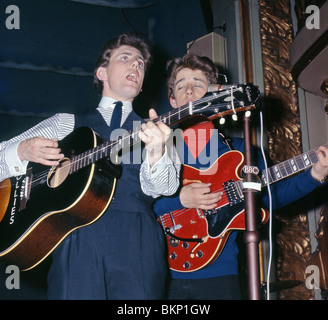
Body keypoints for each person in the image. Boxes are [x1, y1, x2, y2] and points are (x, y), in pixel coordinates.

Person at [0, 33, 181, 299]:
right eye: (125, 58)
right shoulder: (66, 124)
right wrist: (21, 150)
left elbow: (165, 186)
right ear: (102, 72)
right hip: (74, 237)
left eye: (141, 63)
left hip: (137, 242)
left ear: (142, 85)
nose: (135, 66)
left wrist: (157, 150)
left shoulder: (158, 130)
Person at [153, 53, 328, 300]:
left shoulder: (240, 150)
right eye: (181, 85)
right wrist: (180, 199)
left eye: (198, 83)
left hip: (220, 275)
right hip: (162, 272)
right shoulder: (158, 149)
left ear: (214, 94)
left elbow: (269, 199)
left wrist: (315, 174)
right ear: (172, 99)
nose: (190, 90)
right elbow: (137, 205)